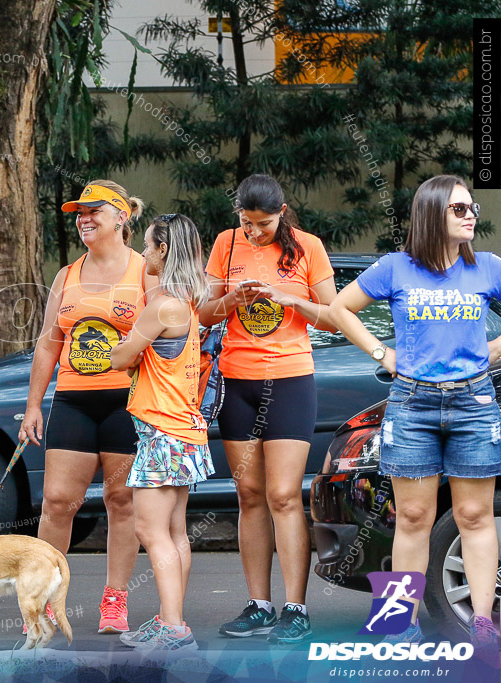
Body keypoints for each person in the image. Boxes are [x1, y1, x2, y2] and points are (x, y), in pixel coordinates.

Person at [329, 175, 501, 650]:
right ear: (431, 215)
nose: (471, 217)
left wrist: (491, 352)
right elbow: (341, 307)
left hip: (474, 403)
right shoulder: (396, 268)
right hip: (412, 402)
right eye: (460, 209)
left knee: (474, 515)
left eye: (473, 209)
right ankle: (399, 625)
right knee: (412, 517)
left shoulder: (487, 267)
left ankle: (481, 625)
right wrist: (380, 353)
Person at [198, 174, 337, 644]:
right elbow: (202, 312)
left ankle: (296, 608)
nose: (254, 231)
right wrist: (231, 300)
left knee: (282, 495)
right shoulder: (225, 243)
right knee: (250, 495)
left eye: (264, 223)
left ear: (282, 211)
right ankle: (259, 604)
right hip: (238, 382)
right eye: (247, 221)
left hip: (291, 380)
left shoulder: (308, 247)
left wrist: (287, 298)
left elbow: (333, 315)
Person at [18, 180, 156, 634]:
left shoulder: (146, 272)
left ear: (122, 216)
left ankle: (114, 602)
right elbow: (47, 344)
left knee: (122, 500)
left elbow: (170, 337)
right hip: (74, 401)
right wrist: (34, 404)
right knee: (58, 502)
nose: (84, 218)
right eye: (79, 212)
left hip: (128, 402)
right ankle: (43, 603)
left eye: (94, 210)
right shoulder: (66, 275)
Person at [110, 214, 213, 651]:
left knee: (150, 532)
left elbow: (119, 358)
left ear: (164, 249)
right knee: (174, 533)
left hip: (162, 432)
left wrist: (127, 345)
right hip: (183, 430)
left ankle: (173, 629)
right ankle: (171, 621)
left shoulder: (162, 306)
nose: (144, 253)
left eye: (150, 246)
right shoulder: (185, 301)